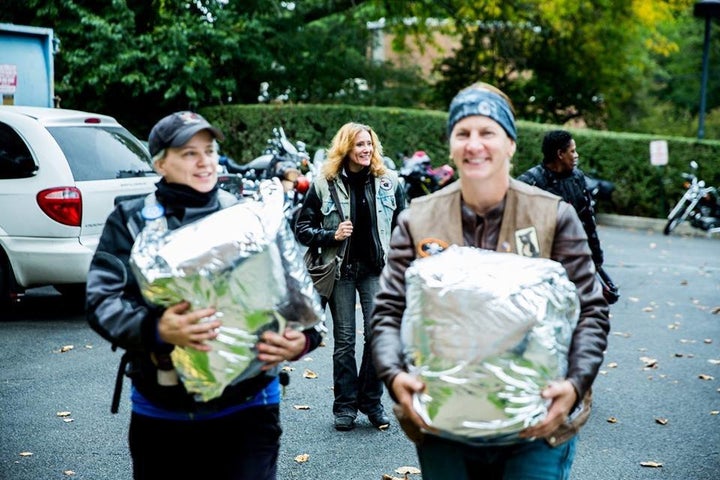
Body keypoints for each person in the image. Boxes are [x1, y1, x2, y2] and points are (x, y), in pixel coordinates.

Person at [370, 83, 610, 479]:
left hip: (536, 425)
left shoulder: (553, 216)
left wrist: (574, 384)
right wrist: (395, 376)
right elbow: (389, 311)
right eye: (463, 133)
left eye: (487, 132)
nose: (475, 144)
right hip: (444, 422)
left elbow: (590, 309)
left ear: (511, 144)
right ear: (451, 145)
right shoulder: (419, 219)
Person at [86, 111, 323, 480]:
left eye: (210, 151)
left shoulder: (246, 215)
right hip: (162, 411)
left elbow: (298, 300)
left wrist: (303, 342)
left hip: (249, 407)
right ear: (161, 162)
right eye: (189, 153)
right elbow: (102, 302)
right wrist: (157, 328)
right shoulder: (131, 220)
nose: (205, 161)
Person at [294, 122, 406, 432]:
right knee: (344, 342)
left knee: (377, 336)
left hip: (375, 271)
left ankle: (371, 402)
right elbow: (302, 230)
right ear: (346, 149)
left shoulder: (389, 182)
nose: (366, 150)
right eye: (359, 145)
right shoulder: (323, 184)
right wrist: (332, 234)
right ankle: (344, 406)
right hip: (340, 272)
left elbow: (403, 228)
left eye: (369, 144)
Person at [516, 130, 604, 270]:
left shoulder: (577, 179)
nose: (576, 156)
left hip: (575, 258)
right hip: (544, 263)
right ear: (560, 154)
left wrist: (596, 256)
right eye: (572, 151)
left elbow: (587, 219)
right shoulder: (529, 183)